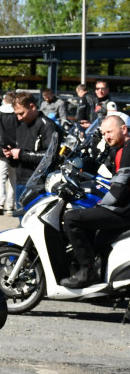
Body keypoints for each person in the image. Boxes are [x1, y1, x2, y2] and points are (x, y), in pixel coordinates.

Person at [61, 115, 130, 288]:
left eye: (110, 132)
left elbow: (120, 187)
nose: (106, 136)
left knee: (72, 218)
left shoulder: (128, 151)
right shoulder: (120, 149)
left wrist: (100, 205)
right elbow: (109, 175)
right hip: (123, 207)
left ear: (123, 129)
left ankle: (87, 271)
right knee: (87, 213)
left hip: (124, 211)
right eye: (104, 133)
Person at [3, 91, 58, 210]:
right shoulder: (21, 126)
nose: (19, 117)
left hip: (39, 184)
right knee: (22, 218)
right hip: (20, 182)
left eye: (21, 113)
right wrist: (11, 155)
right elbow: (19, 157)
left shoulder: (47, 125)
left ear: (32, 106)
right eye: (16, 114)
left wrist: (21, 154)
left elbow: (51, 156)